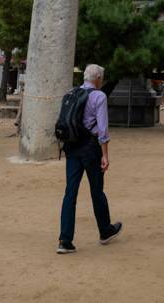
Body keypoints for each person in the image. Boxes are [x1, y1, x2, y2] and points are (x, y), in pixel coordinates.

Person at [57, 64, 122, 254]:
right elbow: (102, 129)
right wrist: (105, 154)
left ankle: (65, 239)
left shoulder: (72, 92)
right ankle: (105, 230)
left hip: (72, 145)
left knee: (70, 192)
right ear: (98, 79)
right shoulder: (99, 96)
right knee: (96, 191)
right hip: (91, 147)